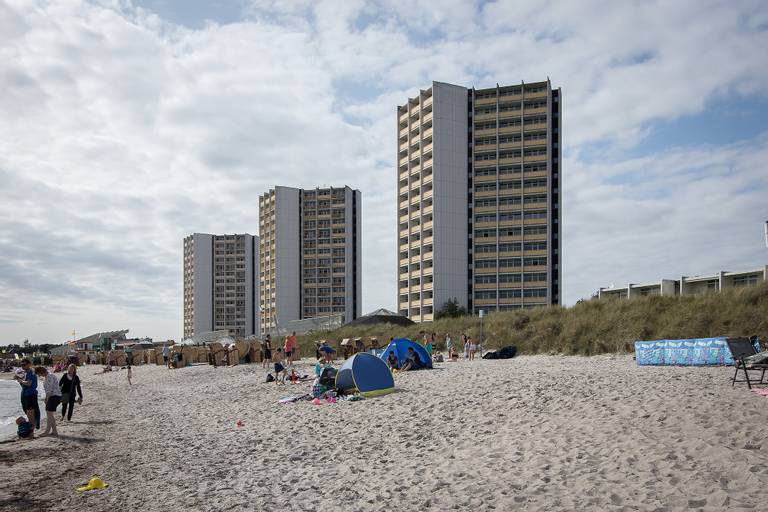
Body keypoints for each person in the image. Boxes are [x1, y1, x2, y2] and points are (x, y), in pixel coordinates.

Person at [34, 367, 60, 437]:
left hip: (54, 396)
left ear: (41, 372)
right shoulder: (49, 376)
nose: (39, 376)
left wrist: (46, 399)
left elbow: (49, 391)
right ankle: (54, 431)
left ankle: (47, 431)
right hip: (55, 396)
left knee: (49, 414)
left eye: (38, 374)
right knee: (50, 414)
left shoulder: (49, 377)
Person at [14, 359, 40, 431]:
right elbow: (25, 385)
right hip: (27, 395)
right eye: (21, 365)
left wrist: (20, 380)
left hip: (30, 395)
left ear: (29, 364)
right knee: (29, 413)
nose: (23, 366)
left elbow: (29, 383)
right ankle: (31, 431)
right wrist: (20, 380)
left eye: (24, 364)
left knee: (30, 414)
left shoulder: (30, 372)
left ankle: (31, 432)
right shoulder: (26, 373)